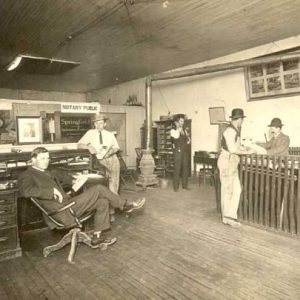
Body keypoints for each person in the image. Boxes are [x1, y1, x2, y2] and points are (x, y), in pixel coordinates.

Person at [18, 147, 146, 247]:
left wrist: (75, 179)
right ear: (33, 160)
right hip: (61, 211)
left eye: (47, 158)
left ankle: (97, 237)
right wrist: (51, 191)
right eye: (42, 158)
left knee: (103, 201)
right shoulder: (27, 175)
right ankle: (125, 205)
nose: (46, 161)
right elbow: (25, 191)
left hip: (68, 204)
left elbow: (63, 176)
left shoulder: (47, 171)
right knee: (99, 188)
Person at [78, 113, 121, 221]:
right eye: (96, 123)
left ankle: (111, 213)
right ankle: (103, 211)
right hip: (100, 162)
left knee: (113, 186)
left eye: (101, 123)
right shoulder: (90, 133)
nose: (98, 125)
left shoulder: (110, 134)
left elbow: (116, 148)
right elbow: (79, 144)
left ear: (105, 124)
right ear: (94, 124)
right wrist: (89, 146)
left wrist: (110, 152)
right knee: (103, 186)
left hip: (113, 160)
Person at [218, 108, 255, 227]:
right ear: (239, 119)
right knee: (227, 190)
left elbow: (237, 146)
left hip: (233, 162)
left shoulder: (236, 130)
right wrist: (248, 152)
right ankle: (227, 218)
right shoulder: (229, 131)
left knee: (237, 189)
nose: (242, 121)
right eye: (242, 119)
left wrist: (247, 148)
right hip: (227, 161)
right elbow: (233, 149)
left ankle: (230, 216)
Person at [170, 114, 191, 192]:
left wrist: (188, 140)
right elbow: (176, 136)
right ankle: (176, 187)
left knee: (185, 168)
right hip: (178, 152)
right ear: (177, 122)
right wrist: (178, 128)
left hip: (185, 152)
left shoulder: (184, 130)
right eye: (181, 121)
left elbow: (187, 139)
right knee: (177, 169)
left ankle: (185, 186)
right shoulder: (173, 130)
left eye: (183, 121)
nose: (182, 123)